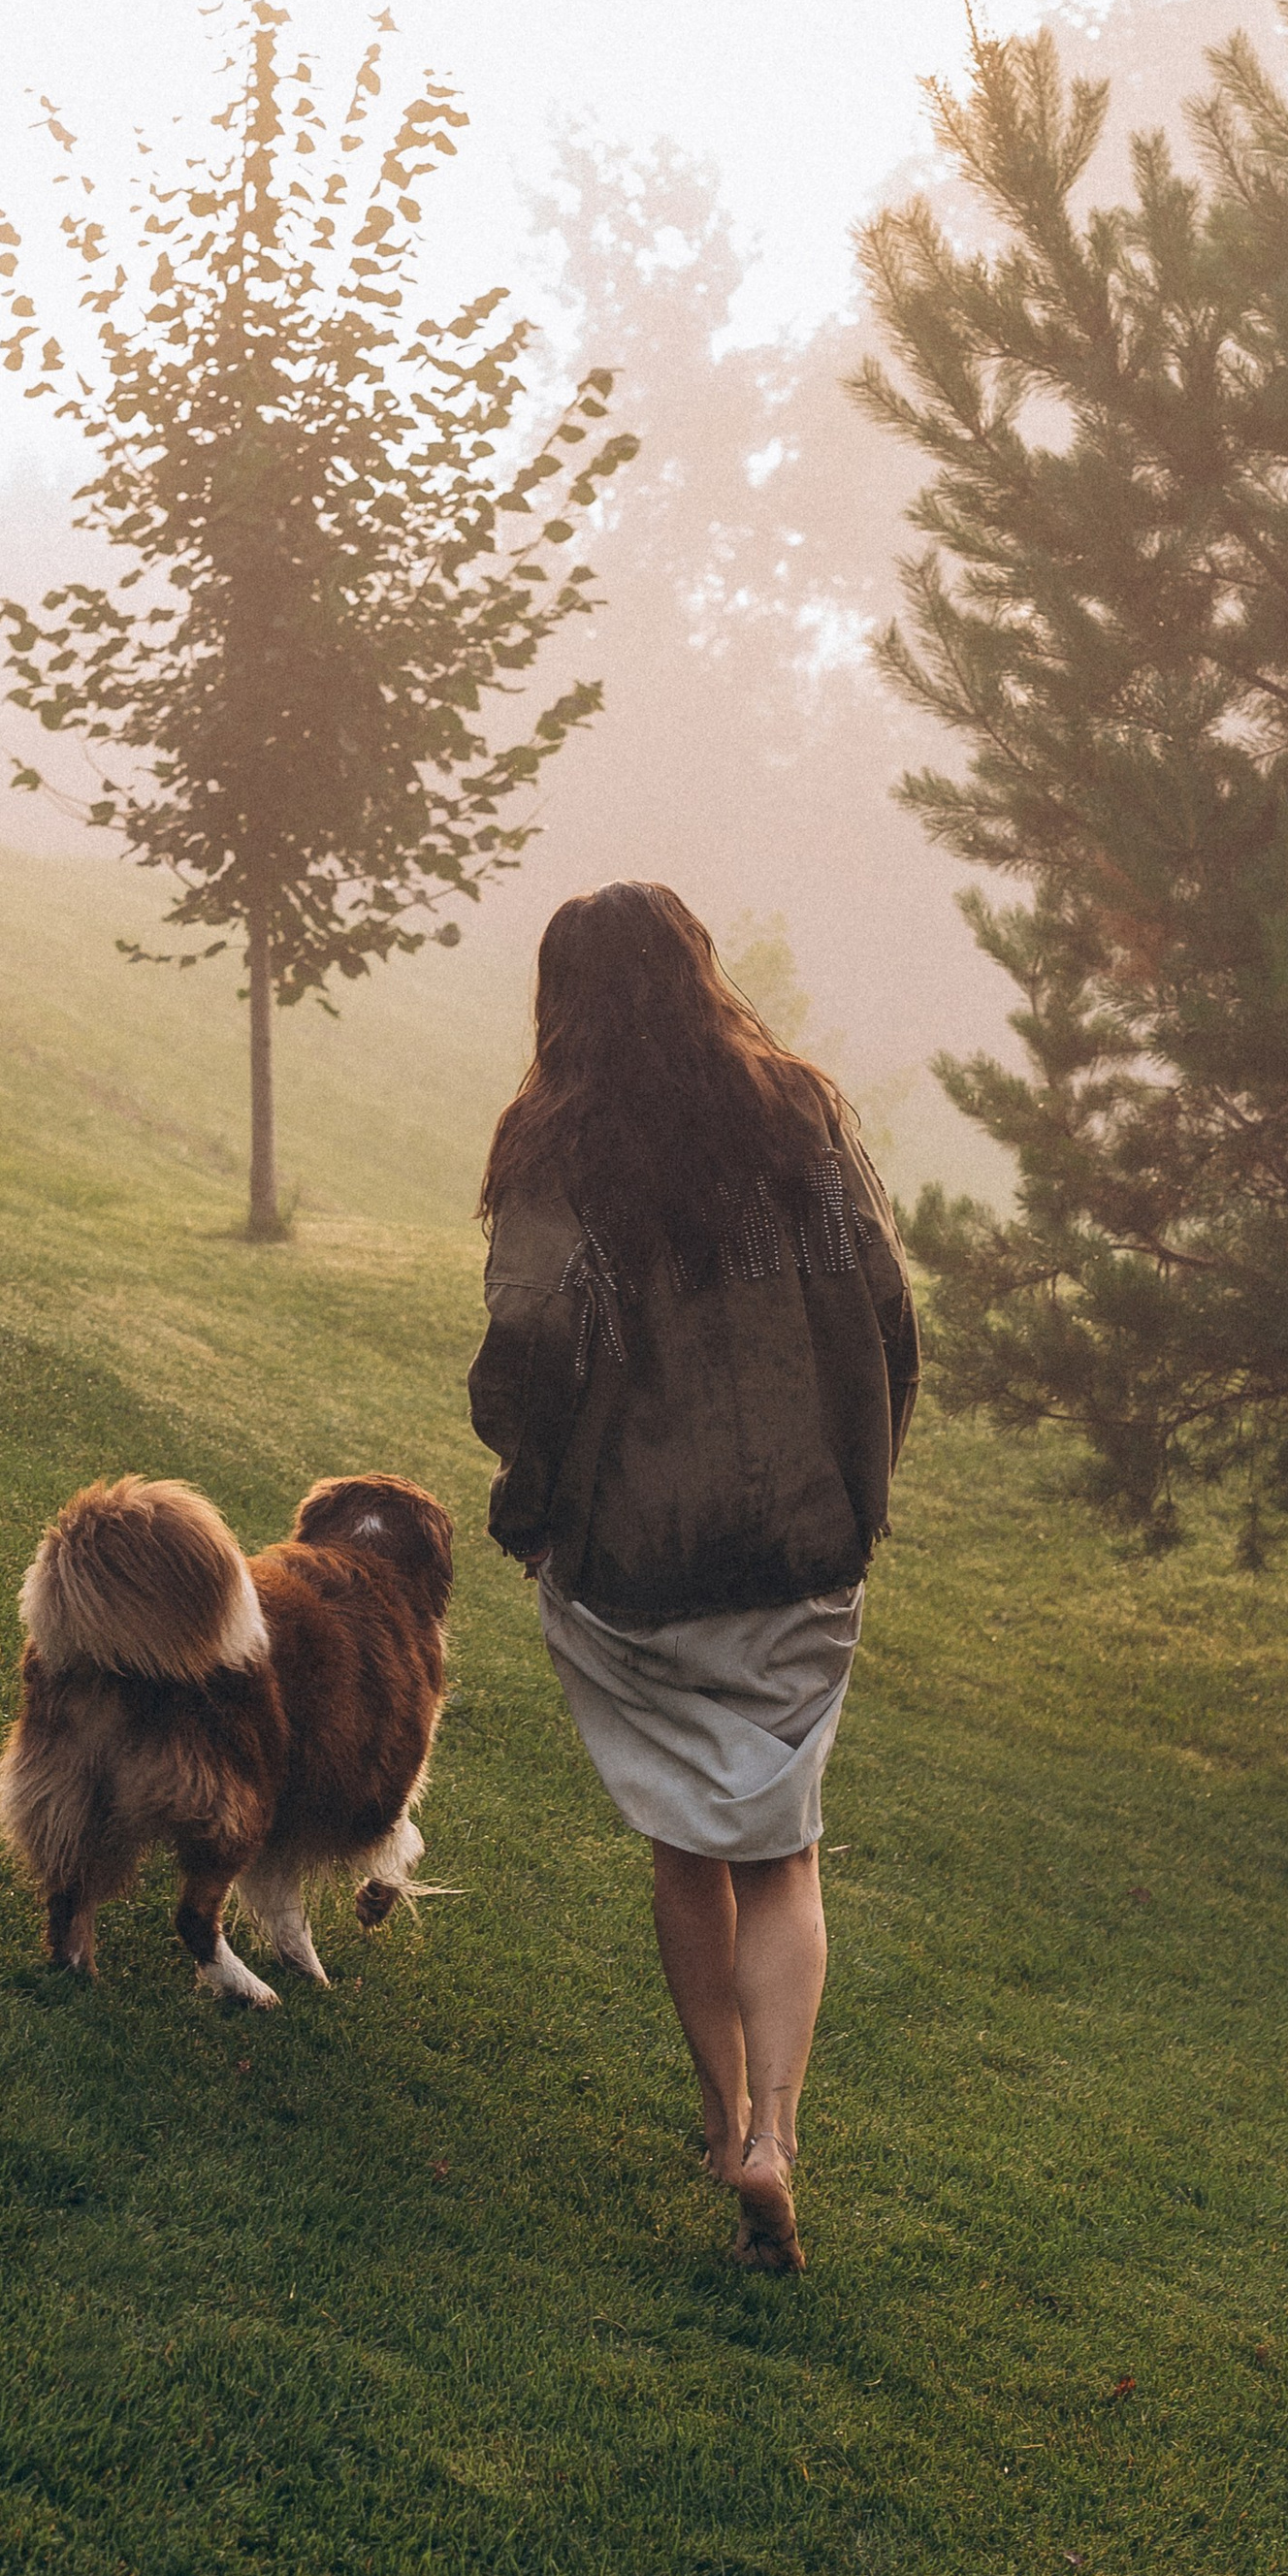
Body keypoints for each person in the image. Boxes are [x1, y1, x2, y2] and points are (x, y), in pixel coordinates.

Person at [468, 884, 918, 2273]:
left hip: (637, 1562)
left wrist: (526, 1498)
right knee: (784, 1849)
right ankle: (781, 2134)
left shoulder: (555, 1146)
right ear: (698, 970)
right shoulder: (802, 1114)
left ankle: (720, 2129)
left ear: (563, 1000)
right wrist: (859, 1477)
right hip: (798, 1542)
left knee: (686, 1847)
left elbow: (528, 1353)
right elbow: (889, 1316)